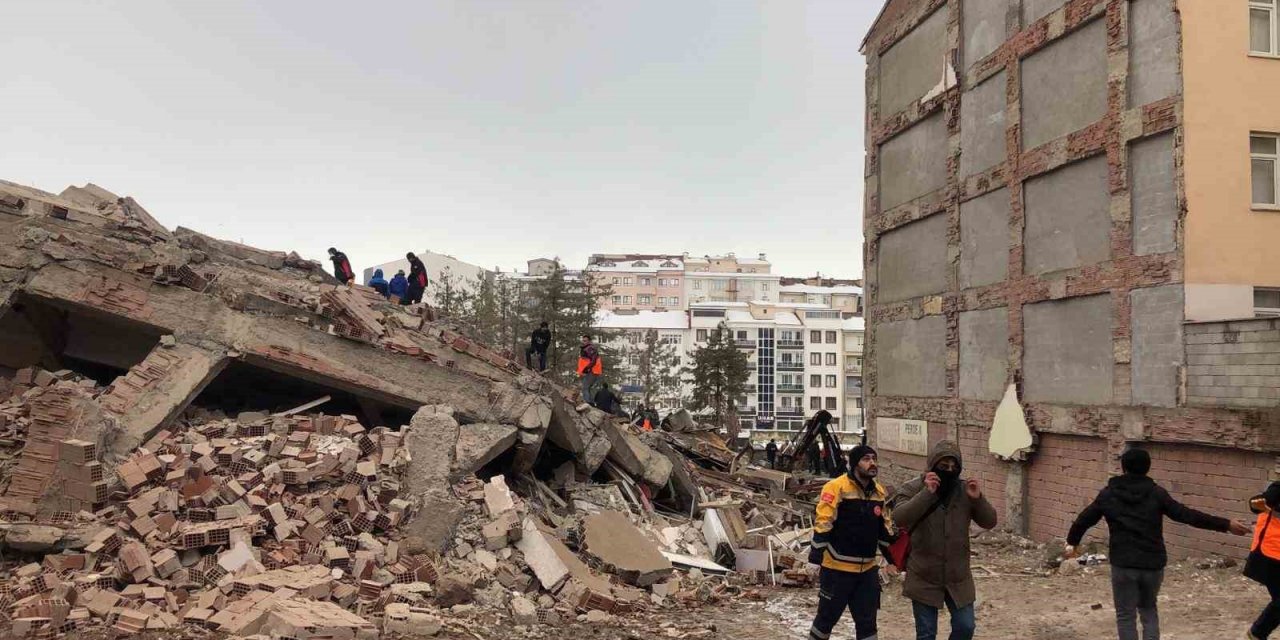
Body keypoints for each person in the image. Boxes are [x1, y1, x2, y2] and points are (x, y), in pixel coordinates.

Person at [1066, 447, 1248, 640]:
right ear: (1148, 468)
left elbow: (1084, 520)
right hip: (1152, 563)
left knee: (1125, 615)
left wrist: (1072, 542)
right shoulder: (1156, 494)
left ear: (1123, 468)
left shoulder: (1109, 494)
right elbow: (1187, 515)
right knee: (1148, 610)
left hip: (1124, 564)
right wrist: (1226, 524)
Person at [890, 440, 997, 640]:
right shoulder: (913, 487)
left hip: (959, 577)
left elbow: (989, 521)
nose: (949, 470)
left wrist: (978, 499)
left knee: (965, 627)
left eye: (953, 466)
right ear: (932, 465)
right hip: (924, 575)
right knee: (926, 634)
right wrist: (926, 494)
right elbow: (899, 517)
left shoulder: (964, 490)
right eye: (943, 466)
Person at [807, 444, 898, 640]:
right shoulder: (836, 487)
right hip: (837, 571)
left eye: (874, 458)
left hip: (867, 572)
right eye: (866, 459)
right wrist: (814, 559)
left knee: (868, 625)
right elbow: (824, 523)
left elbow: (882, 530)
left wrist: (893, 560)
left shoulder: (879, 492)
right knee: (825, 621)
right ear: (855, 463)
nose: (872, 463)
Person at [1246, 482, 1280, 639]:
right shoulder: (1277, 490)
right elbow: (1254, 504)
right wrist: (1262, 503)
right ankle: (1256, 633)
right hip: (1268, 556)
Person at [577, 334, 602, 405]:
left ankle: (588, 402)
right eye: (583, 340)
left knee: (585, 387)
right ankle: (590, 402)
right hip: (591, 371)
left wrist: (587, 368)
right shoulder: (587, 348)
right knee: (587, 387)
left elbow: (593, 360)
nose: (584, 342)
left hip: (592, 371)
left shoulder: (590, 348)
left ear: (589, 341)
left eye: (585, 341)